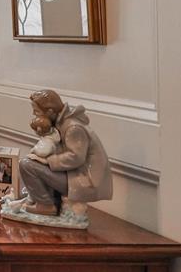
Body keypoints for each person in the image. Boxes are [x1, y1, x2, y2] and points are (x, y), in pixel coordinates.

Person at [13, 89, 113, 217]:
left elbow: (76, 157)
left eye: (37, 111)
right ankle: (47, 201)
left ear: (50, 111)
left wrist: (48, 161)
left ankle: (45, 205)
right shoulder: (63, 123)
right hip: (73, 175)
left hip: (83, 181)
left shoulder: (73, 128)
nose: (34, 114)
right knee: (32, 162)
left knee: (26, 165)